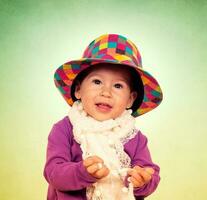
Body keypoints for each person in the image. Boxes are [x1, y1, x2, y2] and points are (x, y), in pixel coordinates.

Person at [43, 34, 163, 200]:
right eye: (97, 82)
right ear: (78, 90)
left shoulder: (135, 138)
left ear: (130, 99)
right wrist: (82, 172)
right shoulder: (65, 129)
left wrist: (142, 180)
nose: (106, 92)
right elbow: (53, 173)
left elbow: (150, 173)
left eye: (118, 85)